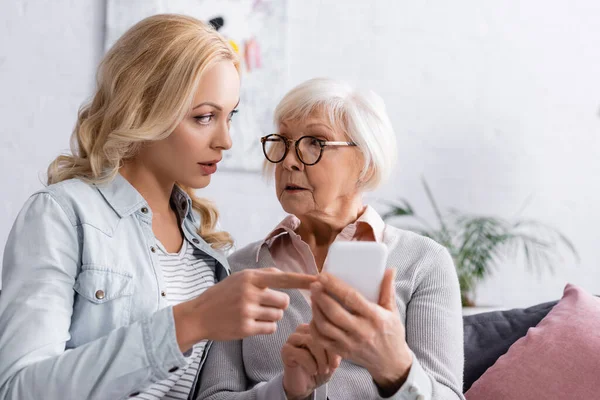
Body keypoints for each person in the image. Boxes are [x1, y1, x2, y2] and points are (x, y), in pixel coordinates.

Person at [0, 14, 315, 400]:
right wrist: (188, 322)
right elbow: (19, 389)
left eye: (229, 116)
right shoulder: (62, 216)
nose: (226, 140)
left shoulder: (206, 248)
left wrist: (288, 389)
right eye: (204, 117)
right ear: (144, 108)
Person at [197, 78, 465, 400]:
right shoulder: (240, 269)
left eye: (315, 142)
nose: (289, 161)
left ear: (365, 162)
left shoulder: (424, 262)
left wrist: (395, 368)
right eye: (282, 142)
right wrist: (286, 392)